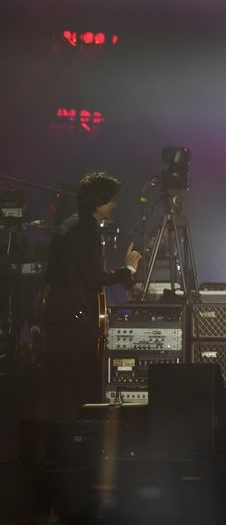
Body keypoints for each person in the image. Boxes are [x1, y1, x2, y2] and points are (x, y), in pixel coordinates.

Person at [42, 172, 142, 421]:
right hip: (75, 323)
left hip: (60, 317)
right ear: (99, 202)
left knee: (60, 387)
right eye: (111, 200)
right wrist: (127, 271)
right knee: (80, 385)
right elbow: (92, 279)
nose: (115, 205)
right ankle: (79, 442)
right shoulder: (86, 230)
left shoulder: (70, 224)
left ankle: (61, 442)